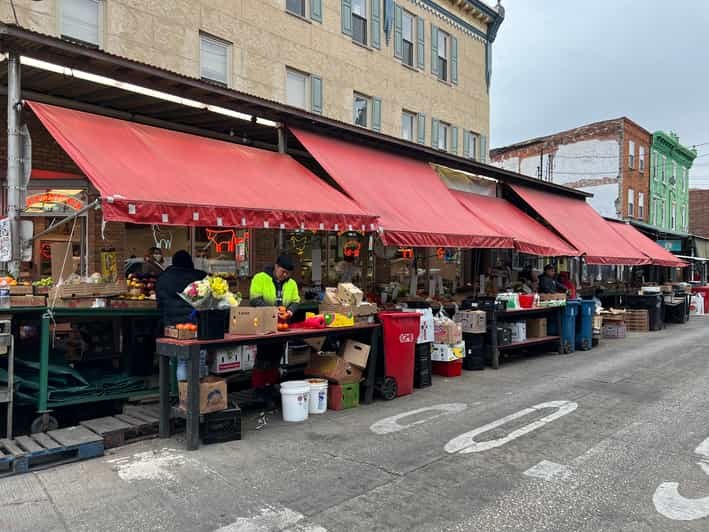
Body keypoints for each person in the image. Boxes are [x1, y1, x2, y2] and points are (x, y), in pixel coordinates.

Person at [249, 253, 301, 407]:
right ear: (276, 266)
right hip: (264, 325)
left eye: (288, 273)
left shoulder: (291, 283)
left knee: (276, 357)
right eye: (282, 271)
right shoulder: (260, 278)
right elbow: (255, 299)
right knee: (263, 357)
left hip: (283, 326)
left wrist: (290, 311)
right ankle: (258, 389)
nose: (284, 275)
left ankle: (270, 387)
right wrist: (272, 310)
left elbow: (296, 301)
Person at [155, 250, 206, 326]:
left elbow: (160, 301)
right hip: (196, 323)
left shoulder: (163, 277)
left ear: (173, 262)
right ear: (190, 261)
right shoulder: (201, 276)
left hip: (169, 323)